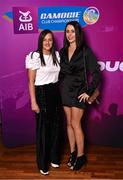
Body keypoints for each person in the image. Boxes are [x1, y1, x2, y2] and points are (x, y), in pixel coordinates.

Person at [59, 21, 101, 171]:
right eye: (67, 31)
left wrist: (88, 92)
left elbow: (96, 73)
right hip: (65, 91)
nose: (69, 34)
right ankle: (72, 153)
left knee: (76, 124)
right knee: (69, 124)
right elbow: (60, 73)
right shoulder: (62, 51)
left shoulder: (85, 51)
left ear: (78, 33)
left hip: (79, 92)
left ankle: (81, 156)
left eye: (72, 31)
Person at [25, 29, 62, 175]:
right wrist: (34, 102)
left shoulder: (57, 55)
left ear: (53, 41)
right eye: (45, 39)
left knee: (56, 127)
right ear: (40, 41)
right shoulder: (34, 56)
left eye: (50, 40)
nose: (47, 42)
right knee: (43, 130)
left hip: (55, 92)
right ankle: (42, 163)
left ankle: (54, 157)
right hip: (41, 94)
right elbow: (30, 81)